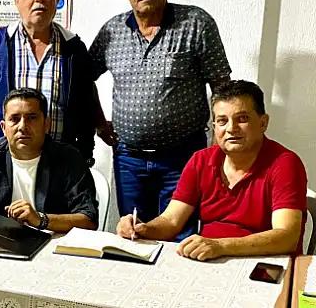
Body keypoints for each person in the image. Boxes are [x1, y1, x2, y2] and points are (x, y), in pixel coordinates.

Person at [89, 0, 232, 239]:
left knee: (180, 239)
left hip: (183, 158)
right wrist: (100, 124)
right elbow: (84, 78)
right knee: (133, 234)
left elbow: (222, 88)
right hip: (129, 159)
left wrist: (222, 145)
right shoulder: (112, 31)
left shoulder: (196, 24)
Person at [116, 80, 307, 261]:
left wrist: (220, 246)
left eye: (242, 119)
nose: (231, 128)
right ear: (214, 128)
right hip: (208, 261)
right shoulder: (201, 160)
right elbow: (171, 221)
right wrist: (142, 229)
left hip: (265, 266)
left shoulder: (285, 164)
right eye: (222, 121)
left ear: (263, 123)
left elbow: (287, 237)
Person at [0, 0, 98, 165]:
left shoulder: (74, 48)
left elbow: (85, 106)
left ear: (57, 0)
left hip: (59, 163)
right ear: (16, 0)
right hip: (5, 161)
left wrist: (84, 154)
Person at [0, 88, 98, 232]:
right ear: (4, 127)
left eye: (32, 118)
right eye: (14, 119)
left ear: (46, 124)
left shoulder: (69, 158)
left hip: (54, 240)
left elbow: (89, 219)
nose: (22, 126)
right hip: (4, 239)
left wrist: (41, 219)